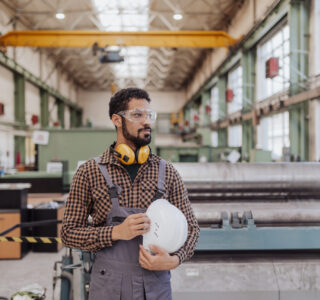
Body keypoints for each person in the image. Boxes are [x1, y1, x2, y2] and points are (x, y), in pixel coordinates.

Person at [61, 88, 200, 300]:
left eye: (149, 115)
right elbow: (68, 232)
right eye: (137, 115)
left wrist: (174, 260)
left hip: (155, 285)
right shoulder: (89, 172)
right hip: (108, 286)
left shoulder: (167, 171)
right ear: (117, 120)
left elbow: (191, 228)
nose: (147, 122)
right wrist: (115, 233)